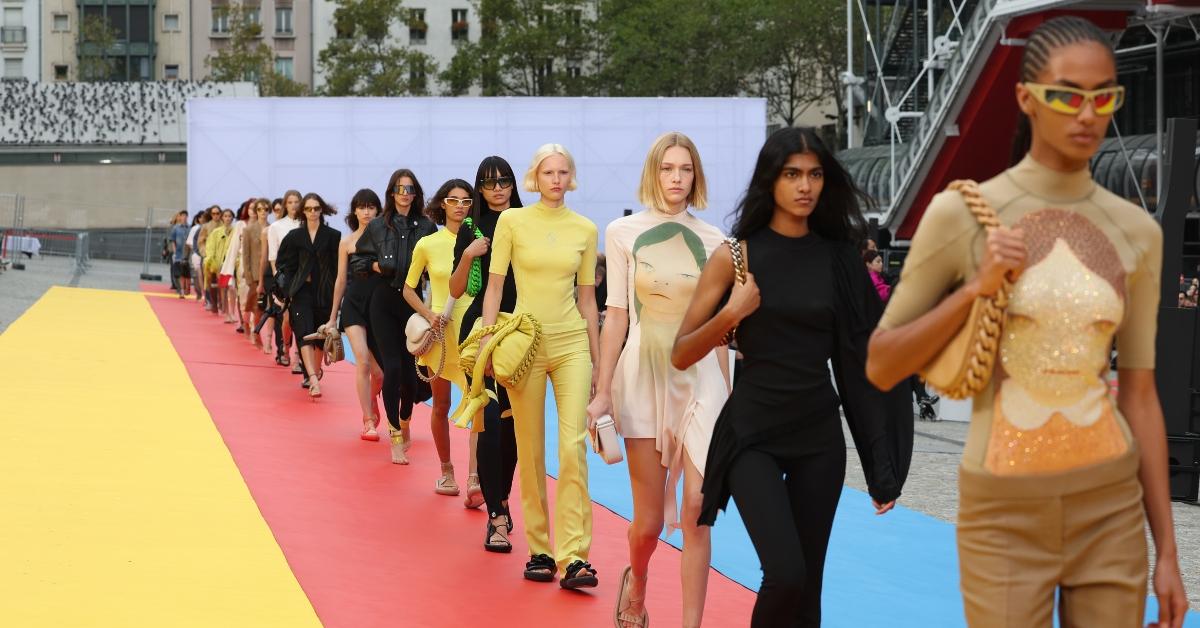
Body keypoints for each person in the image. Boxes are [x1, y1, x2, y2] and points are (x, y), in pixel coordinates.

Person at [865, 16, 1187, 628]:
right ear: (1026, 99)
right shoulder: (959, 214)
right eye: (1066, 95)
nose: (1087, 114)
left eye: (1104, 97)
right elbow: (882, 363)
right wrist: (974, 292)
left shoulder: (1139, 231)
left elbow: (1141, 397)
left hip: (1111, 507)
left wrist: (1167, 550)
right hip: (1004, 505)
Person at [672, 127, 911, 626]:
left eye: (815, 174)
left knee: (809, 587)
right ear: (771, 180)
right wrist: (730, 313)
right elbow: (680, 353)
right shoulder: (735, 256)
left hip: (817, 436)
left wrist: (880, 464)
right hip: (752, 433)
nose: (805, 186)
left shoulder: (839, 258)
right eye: (792, 174)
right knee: (786, 573)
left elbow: (859, 363)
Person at [588, 132, 730, 628]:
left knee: (697, 508)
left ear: (697, 176)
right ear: (654, 173)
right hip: (643, 374)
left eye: (685, 169)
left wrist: (732, 396)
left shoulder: (719, 242)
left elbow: (721, 329)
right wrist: (602, 391)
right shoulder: (623, 232)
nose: (677, 178)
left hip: (702, 377)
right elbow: (618, 317)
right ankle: (639, 581)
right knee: (647, 524)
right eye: (668, 168)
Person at [479, 143, 601, 589]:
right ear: (535, 177)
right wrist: (488, 341)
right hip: (524, 340)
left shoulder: (586, 229)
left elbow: (588, 300)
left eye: (563, 171)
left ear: (571, 177)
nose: (555, 178)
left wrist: (600, 363)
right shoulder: (512, 221)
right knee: (529, 448)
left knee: (573, 447)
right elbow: (494, 289)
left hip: (572, 343)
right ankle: (540, 550)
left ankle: (575, 557)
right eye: (548, 172)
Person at [450, 156, 526, 549]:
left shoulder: (530, 222)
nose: (498, 189)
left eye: (504, 181)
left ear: (514, 185)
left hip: (523, 334)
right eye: (489, 182)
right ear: (479, 188)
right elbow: (457, 290)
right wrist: (468, 254)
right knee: (491, 422)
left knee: (514, 430)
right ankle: (496, 514)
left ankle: (502, 497)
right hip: (480, 331)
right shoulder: (471, 228)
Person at [403, 180, 479, 498]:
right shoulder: (428, 244)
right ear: (443, 205)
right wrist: (428, 313)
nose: (460, 205)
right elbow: (408, 289)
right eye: (453, 200)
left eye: (466, 200)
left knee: (479, 404)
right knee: (441, 404)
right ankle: (447, 471)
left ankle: (475, 476)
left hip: (474, 330)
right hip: (439, 332)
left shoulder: (482, 242)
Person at [356, 169, 437, 464]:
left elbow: (440, 261)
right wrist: (379, 267)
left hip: (413, 303)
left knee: (411, 376)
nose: (405, 193)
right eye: (400, 188)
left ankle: (404, 421)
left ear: (416, 193)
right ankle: (395, 436)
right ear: (392, 192)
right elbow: (359, 260)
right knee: (391, 368)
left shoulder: (427, 227)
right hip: (385, 301)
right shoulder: (378, 226)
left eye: (410, 188)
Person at [327, 189, 385, 440]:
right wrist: (332, 317)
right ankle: (368, 420)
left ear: (378, 210)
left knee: (380, 373)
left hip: (379, 308)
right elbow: (341, 280)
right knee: (362, 361)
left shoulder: (386, 240)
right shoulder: (347, 242)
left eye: (371, 207)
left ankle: (372, 397)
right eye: (361, 207)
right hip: (353, 306)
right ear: (355, 211)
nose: (366, 211)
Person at [276, 193, 340, 400]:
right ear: (303, 211)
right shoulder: (294, 237)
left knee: (320, 336)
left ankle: (316, 371)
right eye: (309, 209)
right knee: (303, 332)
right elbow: (284, 264)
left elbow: (338, 267)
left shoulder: (333, 236)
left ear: (322, 210)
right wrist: (289, 289)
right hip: (301, 291)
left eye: (316, 208)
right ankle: (312, 378)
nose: (313, 212)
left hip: (325, 292)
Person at [266, 190, 303, 368]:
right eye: (290, 202)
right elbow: (273, 257)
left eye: (297, 201)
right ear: (285, 204)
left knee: (301, 320)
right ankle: (285, 348)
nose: (294, 205)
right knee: (287, 319)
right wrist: (278, 282)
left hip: (304, 279)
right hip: (284, 279)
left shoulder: (306, 225)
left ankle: (297, 356)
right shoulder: (276, 227)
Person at [241, 199, 268, 347]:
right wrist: (249, 275)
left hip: (269, 273)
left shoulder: (272, 228)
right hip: (255, 273)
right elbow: (246, 254)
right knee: (255, 306)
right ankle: (255, 333)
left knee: (262, 306)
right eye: (260, 209)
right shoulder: (249, 230)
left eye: (265, 209)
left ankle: (254, 330)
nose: (263, 212)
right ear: (256, 211)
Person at [204, 209, 235, 320]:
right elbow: (210, 248)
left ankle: (231, 312)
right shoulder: (216, 232)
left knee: (232, 288)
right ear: (222, 218)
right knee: (224, 288)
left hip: (233, 263)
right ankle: (226, 313)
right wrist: (213, 264)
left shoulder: (236, 231)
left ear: (232, 218)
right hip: (220, 264)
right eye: (225, 216)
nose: (227, 218)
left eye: (229, 216)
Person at [168, 210, 191, 299]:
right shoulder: (176, 228)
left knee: (187, 274)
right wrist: (174, 252)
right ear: (180, 217)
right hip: (178, 253)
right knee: (180, 273)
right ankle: (181, 291)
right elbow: (172, 240)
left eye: (186, 216)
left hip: (188, 254)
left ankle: (186, 288)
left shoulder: (189, 228)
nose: (184, 217)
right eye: (183, 215)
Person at [186, 211, 207, 301]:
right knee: (197, 275)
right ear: (198, 219)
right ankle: (200, 293)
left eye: (204, 217)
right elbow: (190, 243)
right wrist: (198, 251)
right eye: (201, 217)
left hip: (206, 255)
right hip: (196, 254)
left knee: (204, 275)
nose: (203, 219)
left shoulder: (208, 227)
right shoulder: (195, 228)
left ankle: (205, 294)